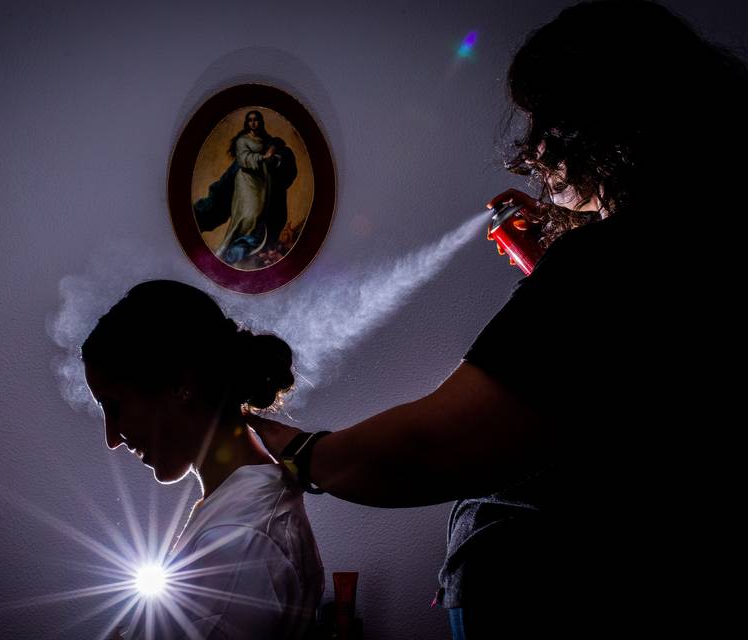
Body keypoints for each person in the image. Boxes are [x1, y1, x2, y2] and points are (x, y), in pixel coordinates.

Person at [243, 2, 746, 638]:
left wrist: (299, 450)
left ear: (607, 121)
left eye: (548, 122)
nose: (534, 149)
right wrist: (553, 269)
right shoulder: (697, 246)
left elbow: (437, 445)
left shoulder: (614, 262)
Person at [82, 280, 324, 639]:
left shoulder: (238, 538)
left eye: (115, 408)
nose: (112, 439)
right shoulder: (237, 511)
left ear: (182, 385)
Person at [193, 110, 298, 266]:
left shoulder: (270, 142)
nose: (253, 123)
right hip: (245, 182)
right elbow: (243, 159)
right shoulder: (242, 140)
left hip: (262, 184)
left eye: (256, 120)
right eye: (250, 120)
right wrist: (264, 158)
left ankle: (243, 250)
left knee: (258, 217)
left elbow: (283, 160)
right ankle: (232, 251)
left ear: (261, 122)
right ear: (247, 123)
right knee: (248, 216)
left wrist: (275, 159)